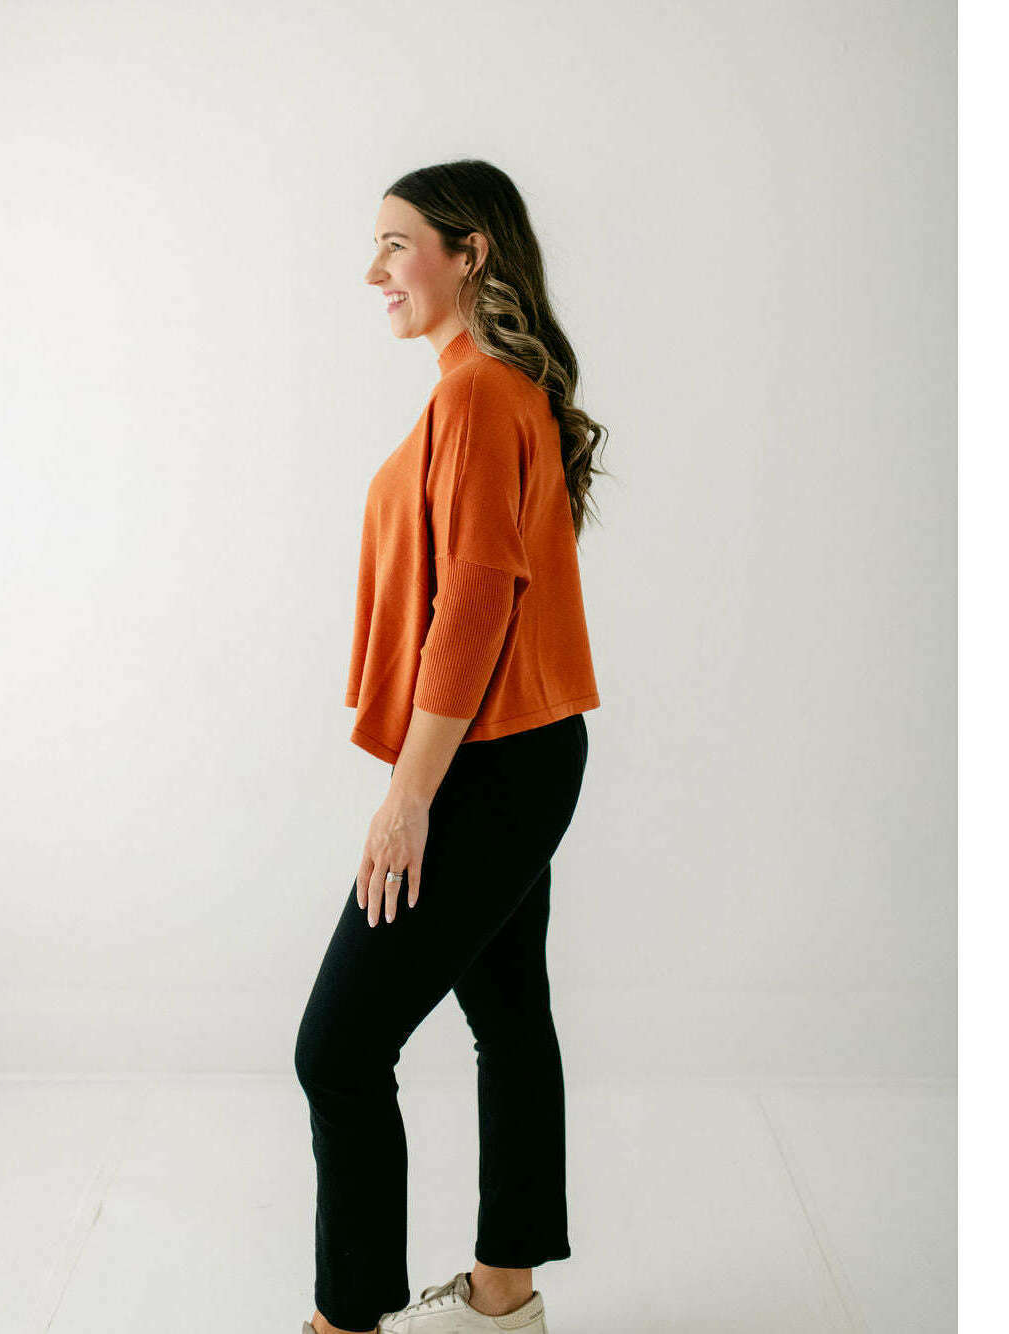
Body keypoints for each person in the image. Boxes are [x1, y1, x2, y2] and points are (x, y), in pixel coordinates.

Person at [294, 158, 610, 1334]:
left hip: (487, 761)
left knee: (336, 1047)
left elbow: (473, 602)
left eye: (395, 243)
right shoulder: (481, 390)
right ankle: (502, 1302)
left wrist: (407, 797)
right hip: (517, 748)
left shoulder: (479, 394)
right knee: (508, 1015)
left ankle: (344, 1322)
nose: (373, 270)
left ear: (468, 252)